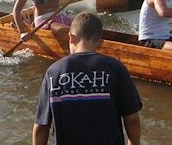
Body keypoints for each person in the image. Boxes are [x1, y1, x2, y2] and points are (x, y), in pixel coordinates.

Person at [33, 12, 142, 145]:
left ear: (71, 37)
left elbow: (41, 126)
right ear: (100, 42)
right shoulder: (115, 68)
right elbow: (132, 119)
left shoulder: (53, 72)